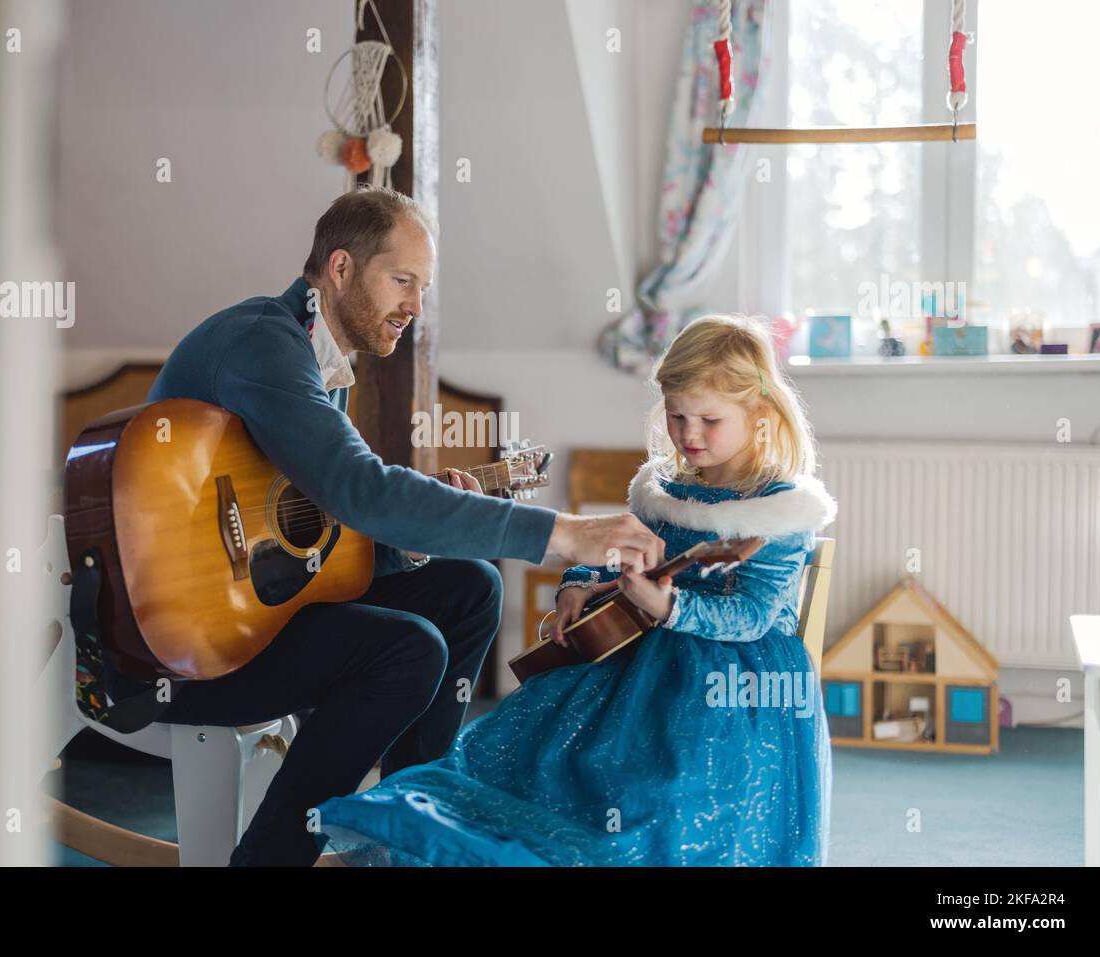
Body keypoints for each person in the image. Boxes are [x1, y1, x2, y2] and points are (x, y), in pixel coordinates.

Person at [99, 183, 667, 866]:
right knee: (409, 649)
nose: (415, 307)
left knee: (469, 589)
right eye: (402, 280)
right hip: (175, 646)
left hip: (248, 608)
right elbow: (360, 489)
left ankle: (404, 831)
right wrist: (564, 534)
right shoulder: (263, 343)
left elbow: (318, 542)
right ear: (340, 268)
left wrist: (414, 547)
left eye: (422, 288)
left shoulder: (323, 364)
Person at [313, 314, 838, 865]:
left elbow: (752, 614)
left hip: (731, 684)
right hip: (635, 656)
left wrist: (670, 606)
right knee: (531, 750)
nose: (689, 434)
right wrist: (578, 583)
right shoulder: (666, 489)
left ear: (758, 413)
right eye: (677, 415)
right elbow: (618, 554)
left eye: (709, 419)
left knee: (657, 795)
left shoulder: (778, 508)